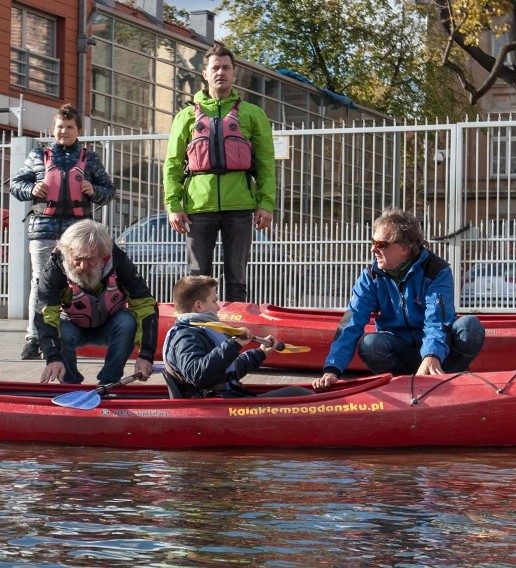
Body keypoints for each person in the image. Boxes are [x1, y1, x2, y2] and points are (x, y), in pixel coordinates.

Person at [313, 207, 486, 392]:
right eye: (373, 242)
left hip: (438, 355)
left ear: (405, 247)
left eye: (381, 245)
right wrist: (332, 370)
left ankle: (447, 380)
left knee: (470, 326)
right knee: (369, 344)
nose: (373, 249)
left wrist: (431, 355)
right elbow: (351, 323)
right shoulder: (371, 277)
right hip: (399, 350)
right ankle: (401, 387)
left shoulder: (436, 271)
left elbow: (436, 320)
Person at [163, 44, 276, 302]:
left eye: (226, 67)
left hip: (239, 208)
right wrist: (173, 204)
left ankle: (236, 334)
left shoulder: (252, 115)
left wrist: (266, 204)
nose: (220, 72)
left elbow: (266, 165)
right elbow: (171, 164)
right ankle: (197, 333)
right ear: (204, 74)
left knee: (237, 277)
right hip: (198, 208)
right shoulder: (185, 117)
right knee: (197, 279)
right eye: (215, 67)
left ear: (234, 73)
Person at [10, 103, 116, 361]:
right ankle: (35, 337)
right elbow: (16, 184)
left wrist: (94, 190)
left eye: (69, 127)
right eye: (60, 127)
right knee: (40, 283)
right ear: (53, 129)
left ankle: (76, 333)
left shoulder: (89, 158)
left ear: (78, 130)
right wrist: (31, 190)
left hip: (77, 232)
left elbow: (109, 190)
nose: (64, 131)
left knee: (81, 280)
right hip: (44, 229)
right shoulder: (38, 155)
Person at [35, 219, 158, 385]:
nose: (83, 265)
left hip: (110, 327)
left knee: (127, 321)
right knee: (60, 328)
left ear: (104, 256)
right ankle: (69, 383)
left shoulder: (119, 262)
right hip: (73, 328)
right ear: (67, 252)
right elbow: (45, 314)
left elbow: (145, 305)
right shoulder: (53, 269)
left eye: (91, 259)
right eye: (77, 258)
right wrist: (52, 357)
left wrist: (146, 355)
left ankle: (109, 381)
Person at [163, 275, 314, 398]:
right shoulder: (186, 336)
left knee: (300, 393)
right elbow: (198, 374)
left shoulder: (199, 331)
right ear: (199, 306)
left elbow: (226, 372)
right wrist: (233, 345)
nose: (218, 307)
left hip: (226, 401)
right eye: (214, 301)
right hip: (217, 406)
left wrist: (260, 353)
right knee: (301, 396)